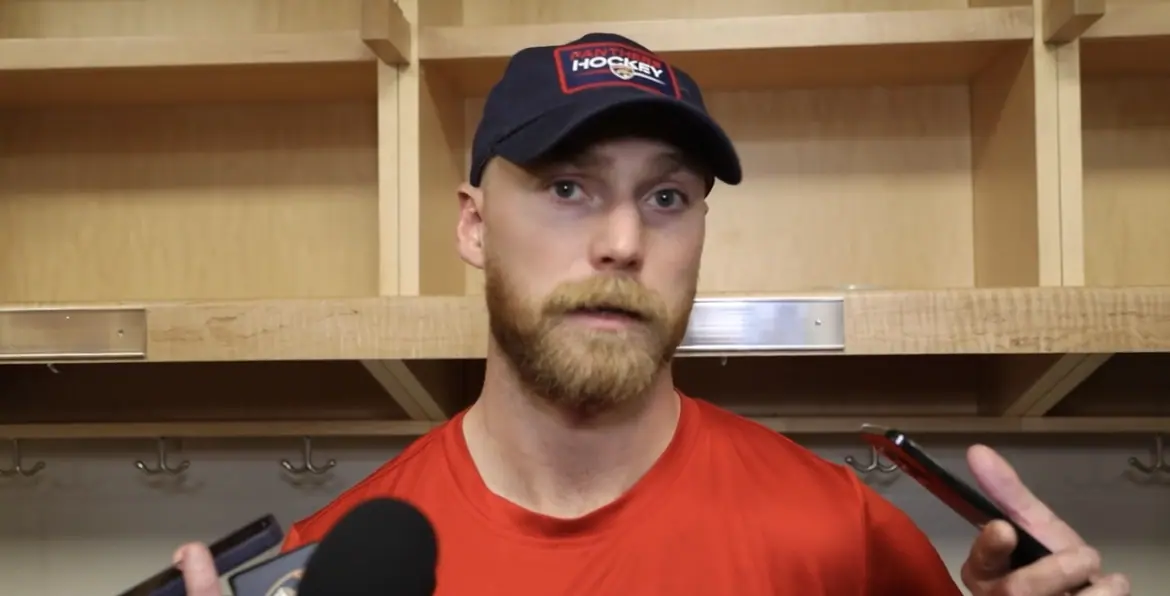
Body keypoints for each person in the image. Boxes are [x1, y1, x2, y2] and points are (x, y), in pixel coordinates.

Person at [173, 33, 1131, 595]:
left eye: (667, 198)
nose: (624, 242)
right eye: (567, 188)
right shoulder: (330, 573)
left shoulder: (842, 536)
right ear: (473, 226)